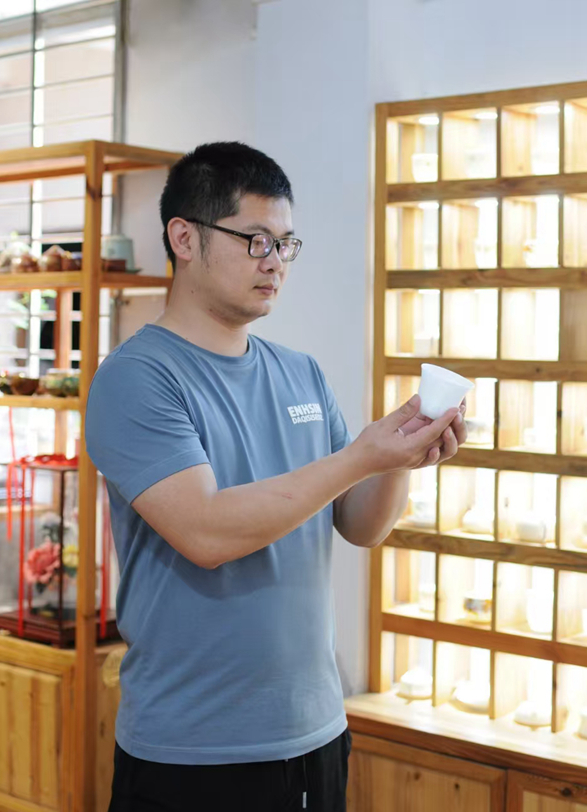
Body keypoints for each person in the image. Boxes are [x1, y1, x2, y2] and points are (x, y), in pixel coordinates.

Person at [85, 141, 467, 812]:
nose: (275, 262)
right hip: (191, 749)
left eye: (286, 244)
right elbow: (206, 533)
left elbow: (360, 526)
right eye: (256, 240)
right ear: (184, 238)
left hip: (316, 730)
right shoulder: (136, 378)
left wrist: (400, 460)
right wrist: (361, 456)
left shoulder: (300, 372)